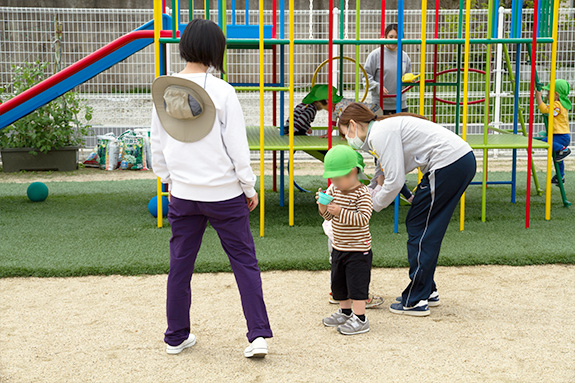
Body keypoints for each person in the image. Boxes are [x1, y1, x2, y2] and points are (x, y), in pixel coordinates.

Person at [151, 18, 272, 358]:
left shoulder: (163, 90)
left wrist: (168, 180)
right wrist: (248, 187)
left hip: (184, 194)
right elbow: (237, 147)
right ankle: (257, 336)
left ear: (184, 47)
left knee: (180, 265)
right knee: (244, 262)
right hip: (224, 193)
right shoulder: (222, 91)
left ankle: (176, 336)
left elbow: (156, 145)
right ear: (216, 50)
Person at [338, 103, 476, 317]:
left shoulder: (381, 133)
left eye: (345, 133)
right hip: (455, 162)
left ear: (354, 125)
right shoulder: (382, 131)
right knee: (422, 225)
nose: (347, 139)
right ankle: (427, 290)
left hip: (448, 163)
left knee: (421, 228)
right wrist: (371, 192)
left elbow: (394, 181)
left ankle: (416, 299)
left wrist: (371, 205)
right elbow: (382, 174)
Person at [318, 145, 374, 335]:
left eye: (336, 178)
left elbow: (363, 219)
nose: (333, 181)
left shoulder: (362, 194)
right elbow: (328, 217)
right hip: (339, 246)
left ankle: (360, 318)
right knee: (339, 282)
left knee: (357, 284)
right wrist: (322, 205)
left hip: (359, 250)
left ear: (352, 173)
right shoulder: (334, 189)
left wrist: (341, 211)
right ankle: (345, 311)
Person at [364, 24, 412, 114]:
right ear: (385, 37)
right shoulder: (375, 55)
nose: (393, 40)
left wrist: (410, 81)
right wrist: (377, 86)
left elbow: (408, 76)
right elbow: (366, 76)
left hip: (400, 104)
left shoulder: (404, 56)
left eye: (397, 37)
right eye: (391, 37)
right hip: (379, 104)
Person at [535, 79, 572, 184]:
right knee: (558, 158)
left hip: (561, 136)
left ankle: (563, 149)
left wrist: (538, 99)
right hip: (561, 136)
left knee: (544, 141)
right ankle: (561, 176)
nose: (547, 95)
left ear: (556, 95)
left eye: (548, 93)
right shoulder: (560, 105)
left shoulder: (557, 105)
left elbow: (545, 110)